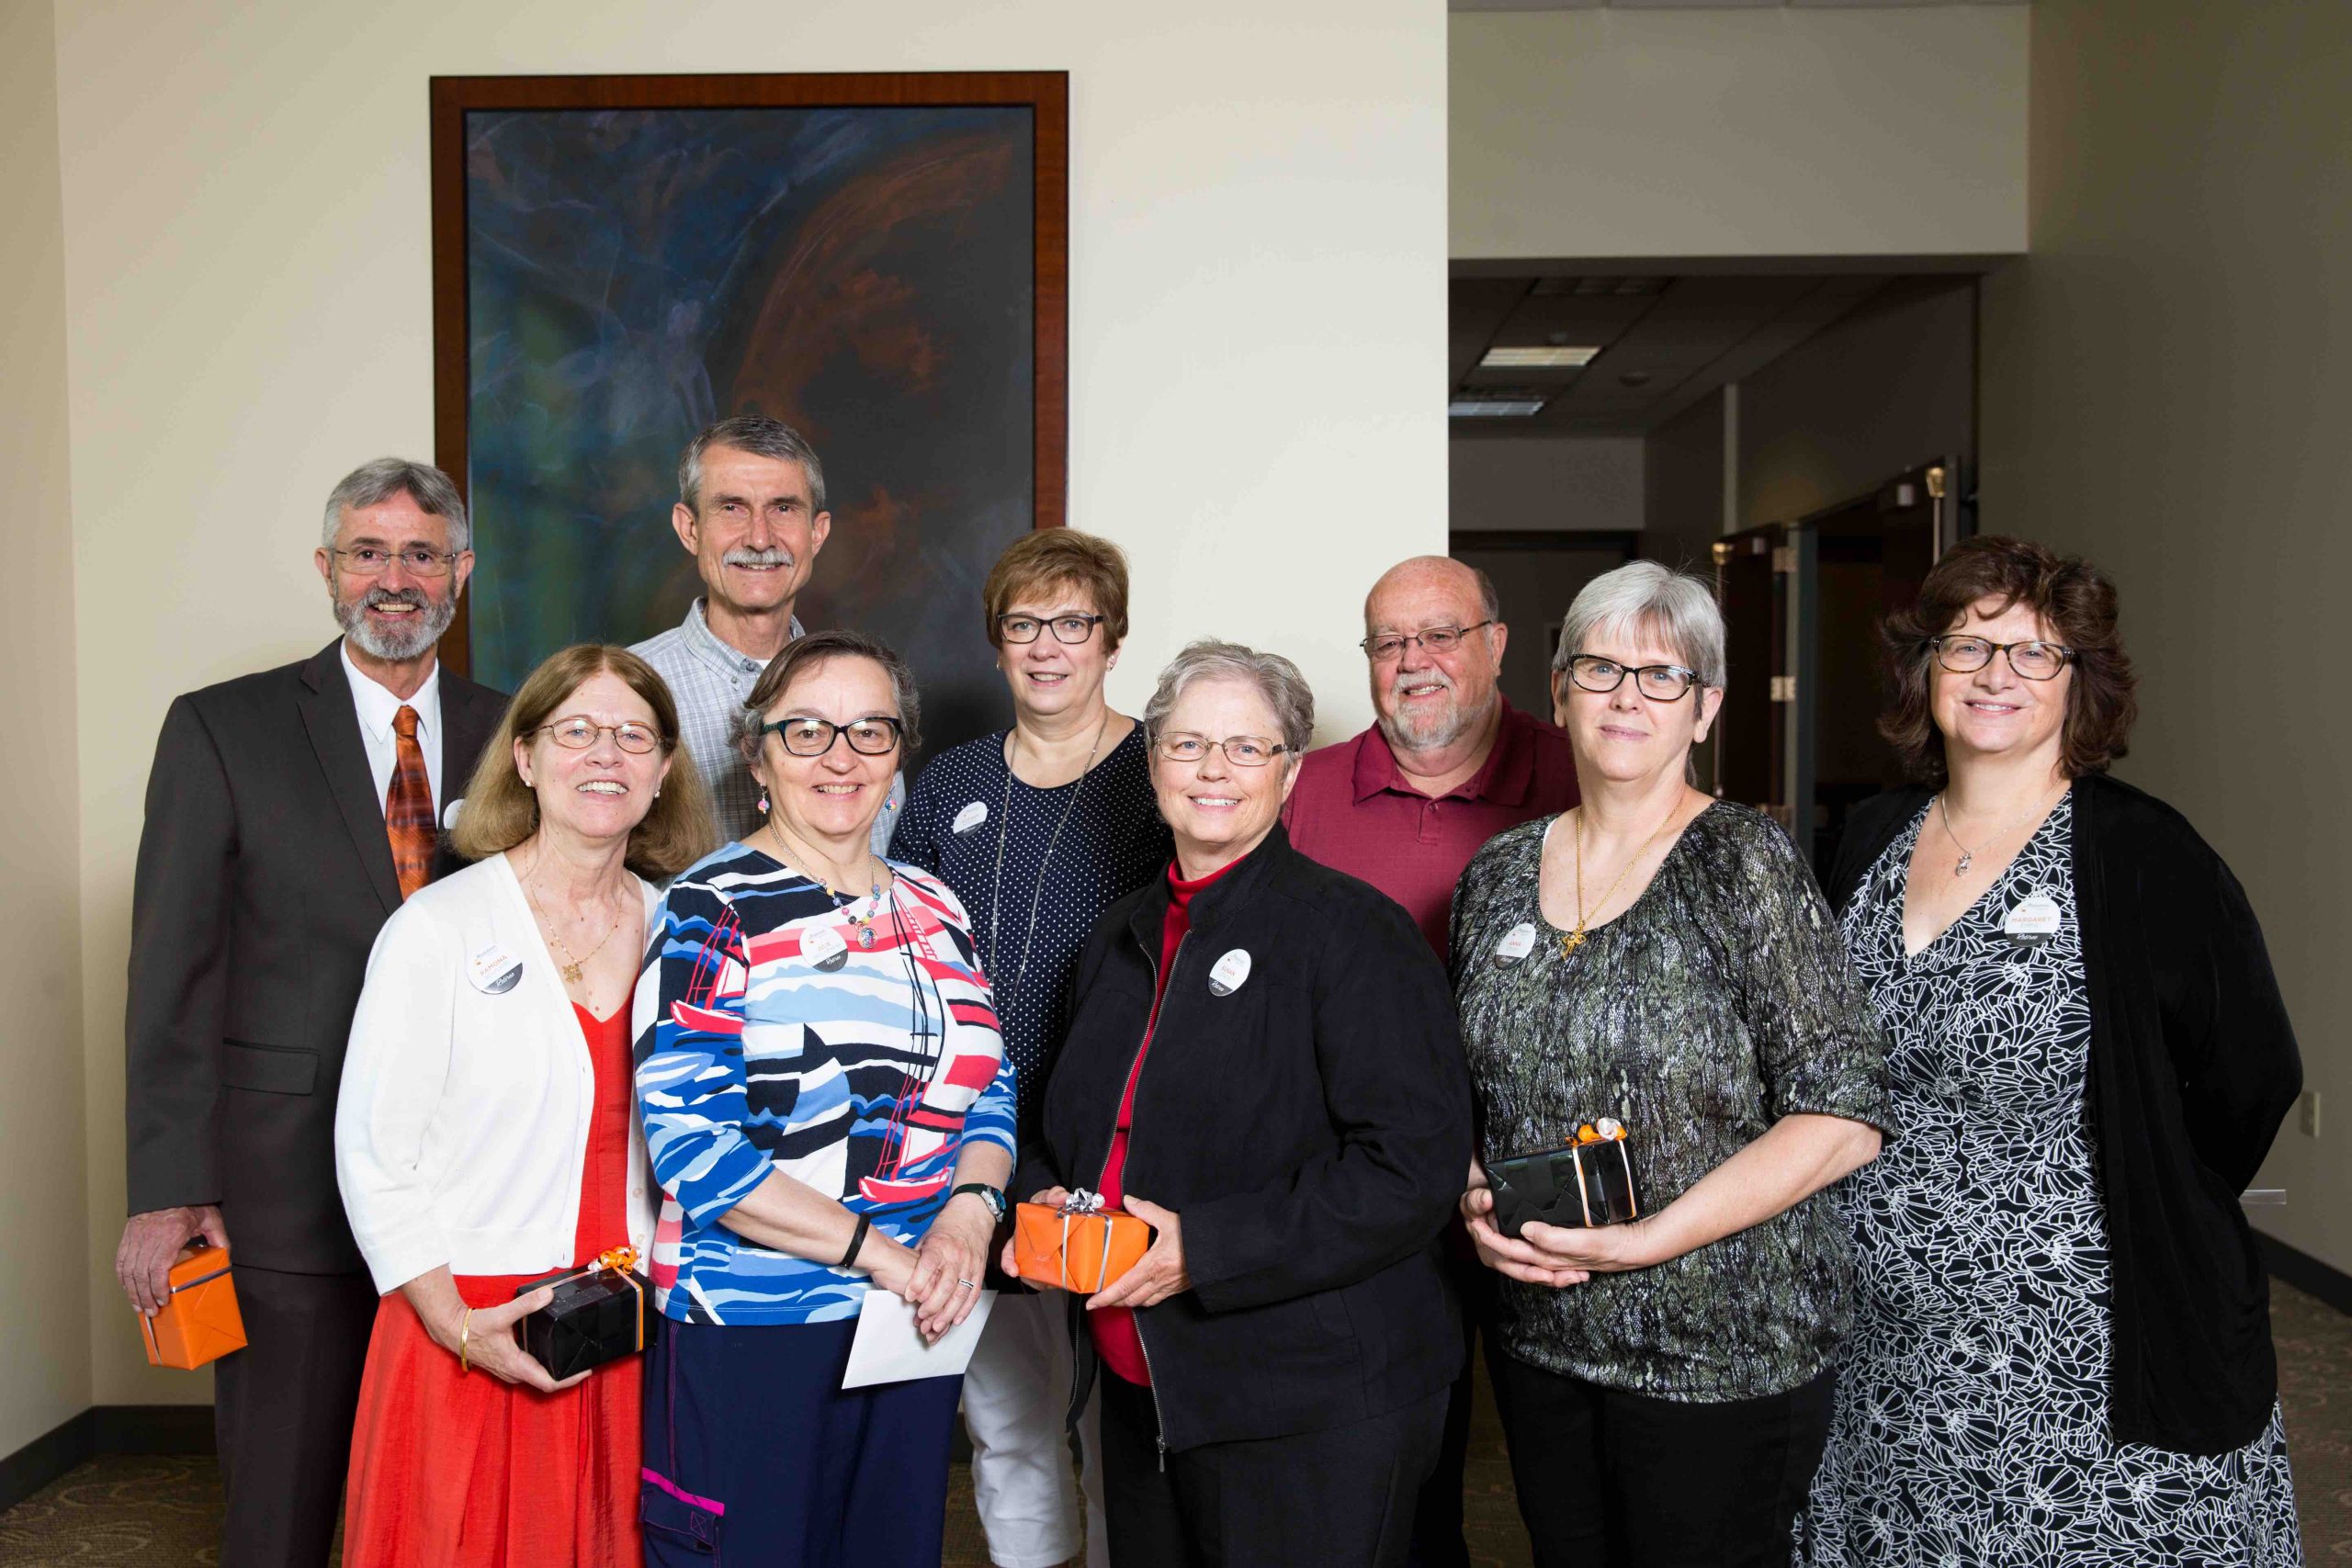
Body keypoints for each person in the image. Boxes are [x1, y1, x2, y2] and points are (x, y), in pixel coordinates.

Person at [1797, 537, 2303, 1565]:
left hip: (2087, 1343)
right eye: (1967, 647)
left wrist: (2147, 1189)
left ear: (2081, 684)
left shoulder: (2142, 853)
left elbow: (2250, 1077)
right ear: (1923, 668)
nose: (1996, 677)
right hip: (1880, 1342)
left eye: (2035, 653)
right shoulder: (1865, 835)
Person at [1450, 561, 1889, 1568]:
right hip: (1544, 1334)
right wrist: (1475, 1201)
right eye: (1599, 668)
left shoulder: (1745, 860)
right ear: (1557, 690)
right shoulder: (1499, 873)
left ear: (1706, 708)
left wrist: (1646, 1243)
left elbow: (1844, 1111)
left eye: (1662, 676)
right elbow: (1466, 1092)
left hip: (1723, 1348)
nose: (1625, 697)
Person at [114, 457, 508, 1567]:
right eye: (369, 552)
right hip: (284, 1193)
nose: (395, 578)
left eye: (421, 554)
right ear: (328, 570)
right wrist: (168, 1189)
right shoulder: (220, 729)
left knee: (454, 1500)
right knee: (282, 1505)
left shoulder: (523, 731)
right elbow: (173, 974)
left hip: (475, 1181)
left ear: (460, 573)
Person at [1008, 639, 1472, 1568]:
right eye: (1186, 745)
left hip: (1315, 1403)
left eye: (1247, 748)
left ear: (1289, 771)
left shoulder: (1354, 933)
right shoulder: (1117, 937)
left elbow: (1412, 1167)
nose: (1213, 769)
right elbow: (1058, 1122)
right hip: (1147, 1391)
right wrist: (1047, 1194)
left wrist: (1205, 1250)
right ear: (1151, 765)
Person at [635, 629, 1015, 1567]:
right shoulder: (710, 907)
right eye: (806, 731)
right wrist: (885, 1256)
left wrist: (968, 1218)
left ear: (899, 756)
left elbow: (991, 1085)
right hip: (755, 1327)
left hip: (913, 1323)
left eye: (869, 731)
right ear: (757, 753)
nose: (840, 757)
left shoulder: (939, 905)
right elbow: (691, 1149)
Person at [334, 645, 714, 1565]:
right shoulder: (437, 928)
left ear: (663, 770)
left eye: (632, 735)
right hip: (473, 1330)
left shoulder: (690, 933)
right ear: (525, 758)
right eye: (575, 731)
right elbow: (375, 1155)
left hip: (633, 1331)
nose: (604, 756)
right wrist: (455, 1322)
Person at [1279, 553, 1577, 1568]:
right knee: (1399, 1498)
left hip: (1555, 1190)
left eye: (1440, 634)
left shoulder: (1583, 775)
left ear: (1495, 646)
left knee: (1572, 1488)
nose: (1415, 661)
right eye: (1389, 642)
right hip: (1372, 1203)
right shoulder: (1300, 793)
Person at [894, 531, 1170, 1568]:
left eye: (1072, 623)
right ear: (997, 642)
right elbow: (904, 947)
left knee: (1122, 1433)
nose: (1047, 647)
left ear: (1112, 639)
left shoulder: (1164, 772)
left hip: (1113, 1149)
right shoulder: (950, 780)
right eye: (1023, 625)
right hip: (975, 1147)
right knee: (1009, 1420)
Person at [630, 413, 901, 852]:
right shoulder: (628, 690)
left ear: (817, 533)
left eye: (783, 508)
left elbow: (883, 861)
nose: (759, 538)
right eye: (732, 507)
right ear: (690, 528)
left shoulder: (865, 693)